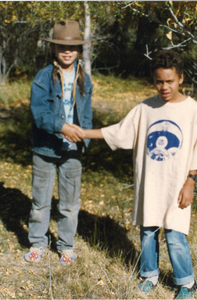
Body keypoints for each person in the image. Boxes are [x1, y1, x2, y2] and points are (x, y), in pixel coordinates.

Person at [69, 50, 197, 298]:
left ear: (181, 78)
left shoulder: (192, 110)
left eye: (169, 81)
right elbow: (119, 131)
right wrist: (83, 132)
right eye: (159, 81)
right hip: (151, 183)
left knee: (175, 234)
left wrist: (191, 181)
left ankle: (187, 283)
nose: (164, 87)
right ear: (153, 80)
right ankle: (149, 275)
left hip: (177, 185)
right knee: (148, 231)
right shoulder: (146, 108)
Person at [24, 20, 93, 265]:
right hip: (45, 149)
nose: (67, 51)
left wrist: (85, 137)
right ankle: (37, 243)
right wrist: (61, 127)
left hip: (72, 152)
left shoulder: (84, 77)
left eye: (73, 47)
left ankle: (66, 246)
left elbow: (87, 113)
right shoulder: (43, 77)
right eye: (62, 46)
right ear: (53, 49)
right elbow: (39, 112)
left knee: (70, 203)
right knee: (41, 201)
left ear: (79, 50)